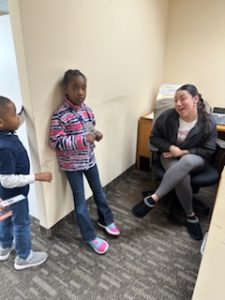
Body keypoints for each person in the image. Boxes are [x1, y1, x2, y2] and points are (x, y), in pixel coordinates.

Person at [132, 84, 217, 240]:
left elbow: (209, 149)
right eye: (175, 100)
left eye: (183, 98)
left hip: (195, 158)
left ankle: (154, 198)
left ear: (195, 99)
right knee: (181, 175)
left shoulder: (208, 121)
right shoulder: (168, 116)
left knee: (186, 161)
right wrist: (170, 147)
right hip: (169, 156)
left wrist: (183, 151)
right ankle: (191, 216)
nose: (178, 104)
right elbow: (154, 138)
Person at [49, 69, 120, 254]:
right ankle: (89, 237)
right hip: (72, 166)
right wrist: (83, 140)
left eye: (83, 87)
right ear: (66, 89)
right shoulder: (60, 114)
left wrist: (96, 134)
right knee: (80, 202)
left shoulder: (87, 109)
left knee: (99, 192)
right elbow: (55, 142)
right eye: (75, 88)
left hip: (89, 160)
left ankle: (105, 219)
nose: (80, 92)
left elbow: (90, 128)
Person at [0, 96, 52, 270]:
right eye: (14, 114)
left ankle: (4, 247)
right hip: (15, 195)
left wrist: (21, 115)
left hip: (4, 195)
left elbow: (11, 124)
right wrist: (36, 177)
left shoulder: (3, 136)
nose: (17, 118)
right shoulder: (6, 148)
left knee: (5, 220)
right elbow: (7, 180)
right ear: (1, 122)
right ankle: (24, 257)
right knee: (21, 223)